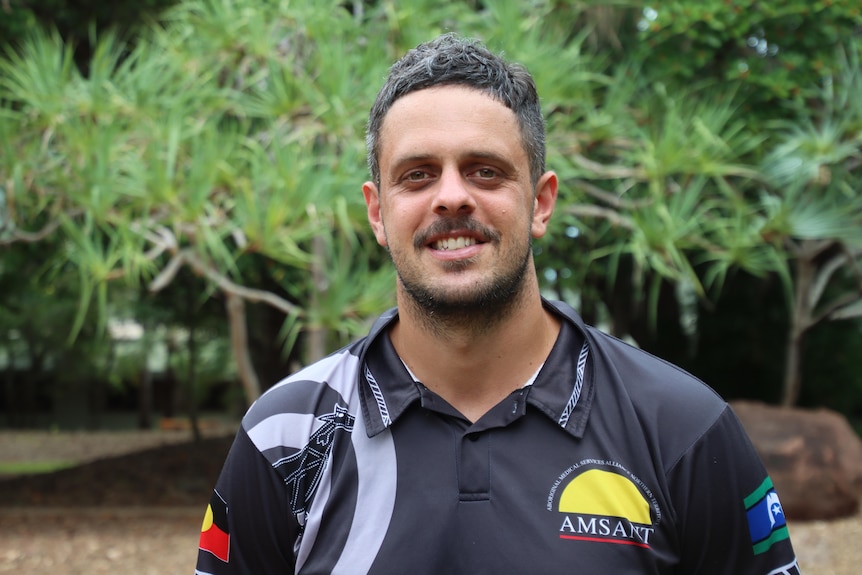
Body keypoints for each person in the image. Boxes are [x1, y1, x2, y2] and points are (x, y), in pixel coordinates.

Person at [195, 33, 801, 575]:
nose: (451, 197)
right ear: (377, 212)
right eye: (417, 175)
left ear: (541, 203)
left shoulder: (682, 429)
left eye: (485, 172)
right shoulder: (287, 436)